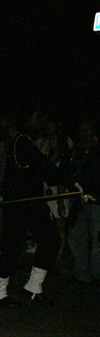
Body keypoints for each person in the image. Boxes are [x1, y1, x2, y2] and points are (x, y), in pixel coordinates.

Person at [0, 119, 61, 307]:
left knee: (51, 238)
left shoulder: (26, 142)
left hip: (32, 203)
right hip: (20, 205)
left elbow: (42, 169)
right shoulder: (23, 141)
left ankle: (33, 287)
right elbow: (44, 168)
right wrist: (62, 174)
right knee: (12, 247)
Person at [67, 121, 100, 284]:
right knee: (76, 237)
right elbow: (67, 173)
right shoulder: (74, 152)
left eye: (87, 129)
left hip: (96, 201)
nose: (84, 133)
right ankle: (81, 274)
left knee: (97, 239)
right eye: (82, 129)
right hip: (78, 200)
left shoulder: (97, 151)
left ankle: (96, 274)